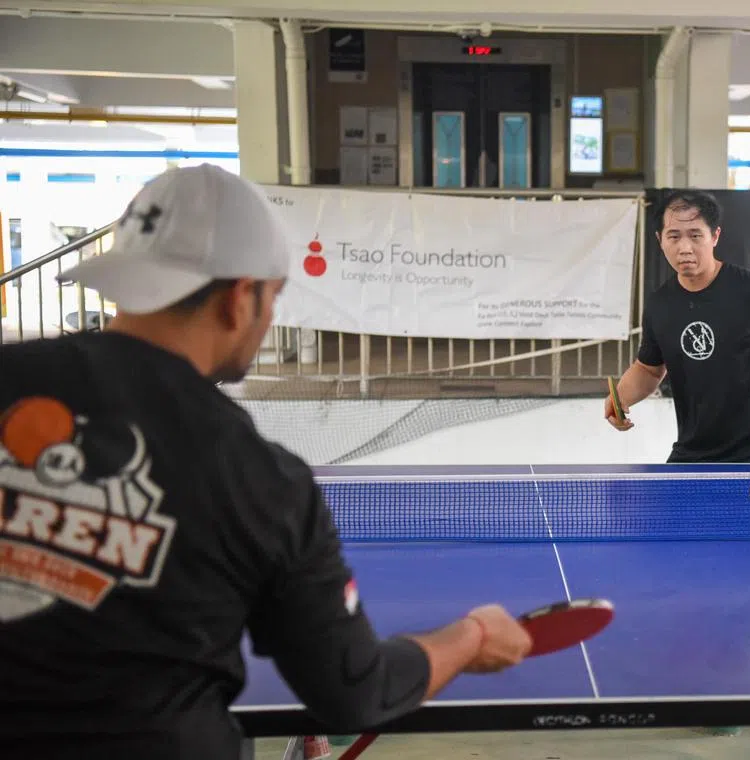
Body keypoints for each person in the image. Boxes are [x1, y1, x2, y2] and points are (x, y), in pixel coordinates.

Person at [0, 164, 533, 759]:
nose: (271, 318)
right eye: (273, 298)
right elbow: (356, 692)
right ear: (239, 297)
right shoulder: (260, 478)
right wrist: (470, 637)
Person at [605, 189, 750, 472]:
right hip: (693, 454)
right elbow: (649, 370)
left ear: (715, 236)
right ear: (660, 240)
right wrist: (620, 397)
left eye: (695, 235)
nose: (685, 247)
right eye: (674, 236)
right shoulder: (660, 305)